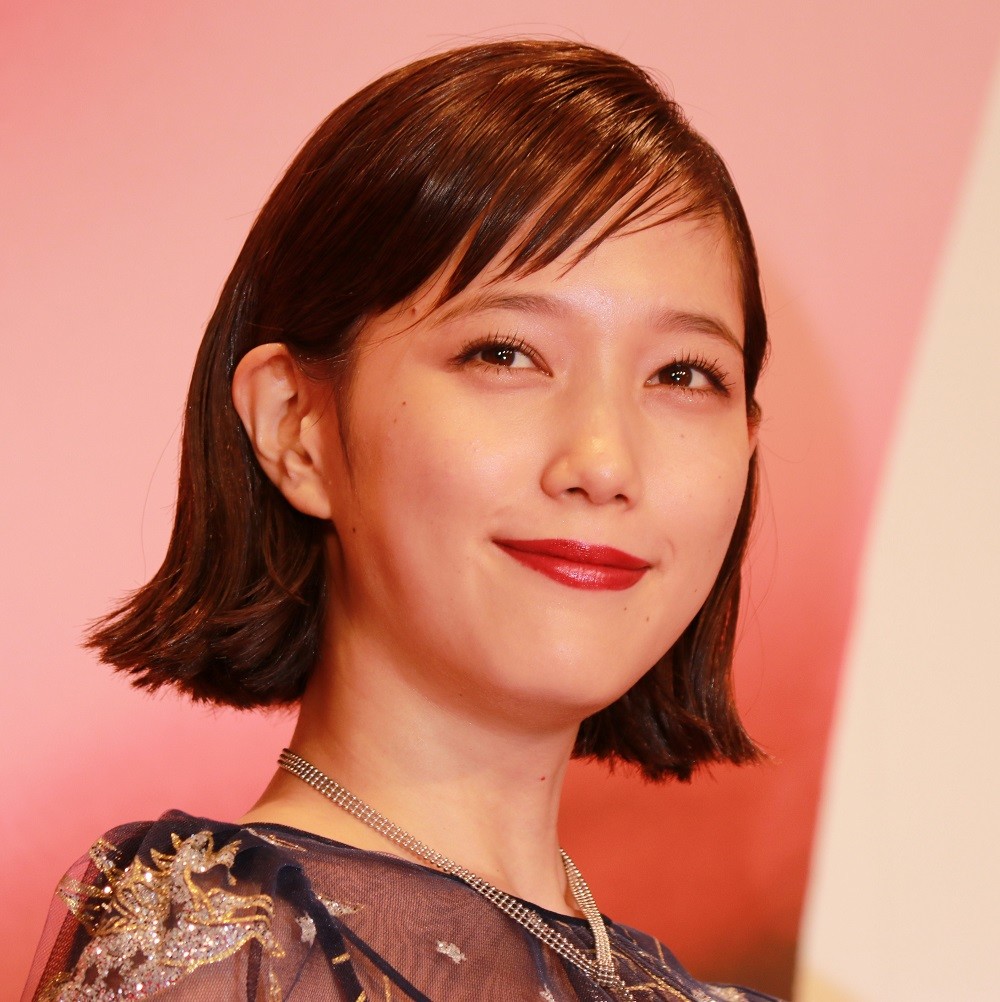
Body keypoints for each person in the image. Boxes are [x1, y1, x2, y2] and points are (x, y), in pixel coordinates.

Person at [25, 39, 778, 1002]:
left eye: (682, 374)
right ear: (296, 427)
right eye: (505, 354)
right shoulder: (228, 955)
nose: (604, 464)